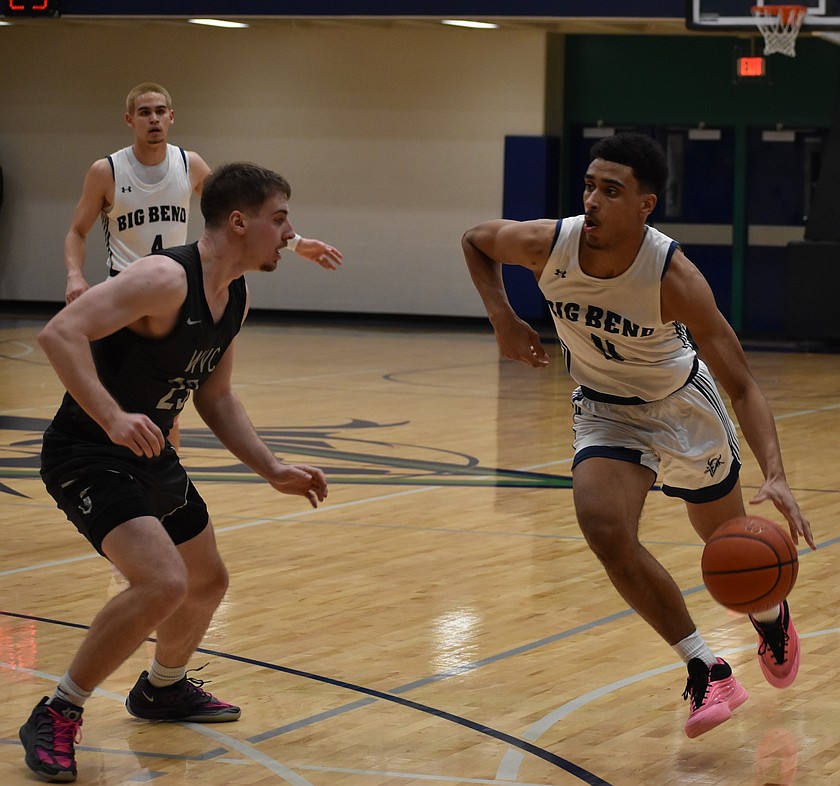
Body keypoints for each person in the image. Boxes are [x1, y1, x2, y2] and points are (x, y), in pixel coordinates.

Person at [461, 132, 815, 739]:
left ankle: (769, 614)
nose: (591, 200)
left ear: (644, 205)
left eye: (610, 190)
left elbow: (742, 384)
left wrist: (776, 474)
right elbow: (475, 240)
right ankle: (706, 667)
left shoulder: (673, 276)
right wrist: (502, 316)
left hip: (682, 408)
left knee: (730, 547)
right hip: (605, 408)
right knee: (604, 528)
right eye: (589, 186)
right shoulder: (548, 244)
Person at [20, 162, 329, 783]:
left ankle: (163, 688)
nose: (289, 233)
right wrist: (112, 416)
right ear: (238, 222)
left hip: (148, 454)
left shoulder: (234, 295)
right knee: (162, 582)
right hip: (87, 451)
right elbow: (60, 334)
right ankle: (57, 711)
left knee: (206, 581)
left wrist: (271, 468)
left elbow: (216, 397)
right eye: (279, 219)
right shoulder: (164, 278)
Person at [64, 82, 343, 448]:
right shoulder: (107, 171)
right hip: (127, 297)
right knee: (115, 392)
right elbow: (77, 231)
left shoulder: (188, 164)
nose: (154, 119)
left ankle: (166, 471)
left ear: (172, 117)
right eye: (145, 113)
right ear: (130, 120)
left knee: (170, 404)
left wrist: (295, 243)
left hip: (176, 294)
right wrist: (74, 275)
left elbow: (237, 209)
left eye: (160, 111)